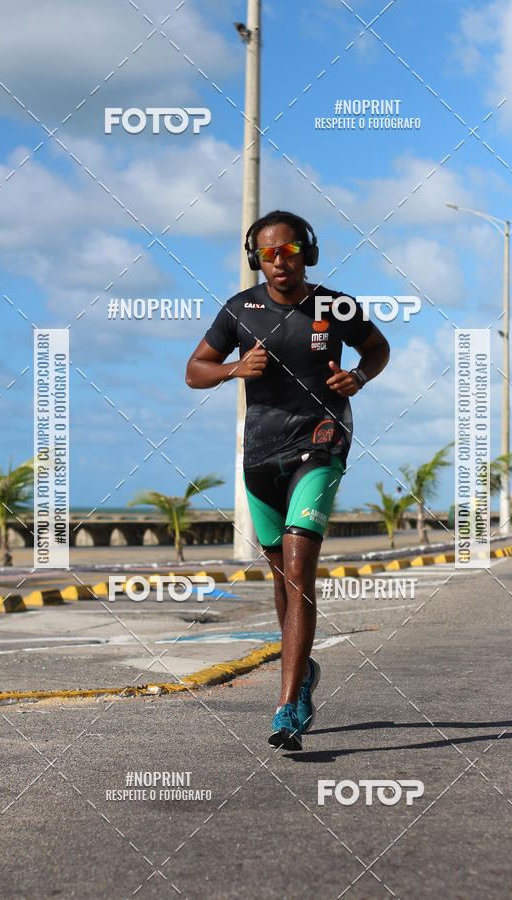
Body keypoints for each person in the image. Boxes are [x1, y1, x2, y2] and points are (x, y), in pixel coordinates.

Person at [185, 210, 390, 750]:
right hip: (261, 455)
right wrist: (233, 370)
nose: (282, 261)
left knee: (299, 572)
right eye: (270, 253)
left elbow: (377, 347)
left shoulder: (334, 305)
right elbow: (193, 370)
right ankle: (301, 677)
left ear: (308, 252)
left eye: (291, 250)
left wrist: (360, 376)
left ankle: (284, 708)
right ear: (257, 258)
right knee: (280, 577)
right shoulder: (238, 310)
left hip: (322, 442)